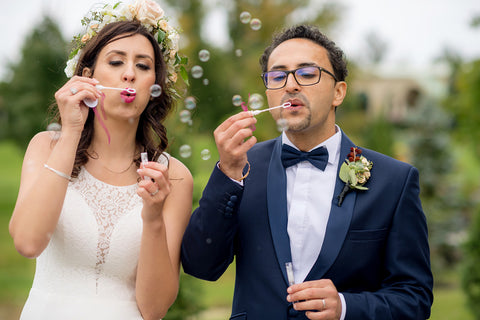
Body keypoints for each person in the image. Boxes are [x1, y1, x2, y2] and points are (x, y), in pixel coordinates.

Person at [181, 24, 433, 320]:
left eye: (307, 73)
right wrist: (227, 173)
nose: (290, 85)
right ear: (269, 92)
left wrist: (345, 307)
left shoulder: (393, 181)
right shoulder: (241, 167)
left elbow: (414, 298)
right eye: (278, 75)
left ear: (338, 92)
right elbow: (200, 264)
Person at [9, 1, 192, 319]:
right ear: (88, 76)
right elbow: (27, 242)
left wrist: (152, 217)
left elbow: (155, 308)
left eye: (144, 66)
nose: (130, 74)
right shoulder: (45, 147)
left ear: (155, 86)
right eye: (117, 61)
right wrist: (71, 131)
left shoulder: (173, 176)